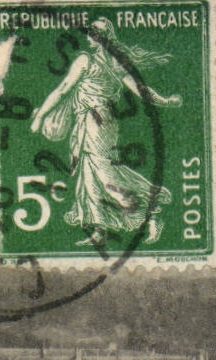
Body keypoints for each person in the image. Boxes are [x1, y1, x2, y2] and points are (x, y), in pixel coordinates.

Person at [29, 18, 181, 244]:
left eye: (95, 31)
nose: (90, 35)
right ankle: (99, 230)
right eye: (90, 31)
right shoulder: (114, 62)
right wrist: (164, 101)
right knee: (88, 171)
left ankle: (151, 214)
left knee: (102, 171)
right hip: (97, 121)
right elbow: (141, 89)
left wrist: (41, 116)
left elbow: (63, 90)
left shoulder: (86, 60)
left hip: (95, 122)